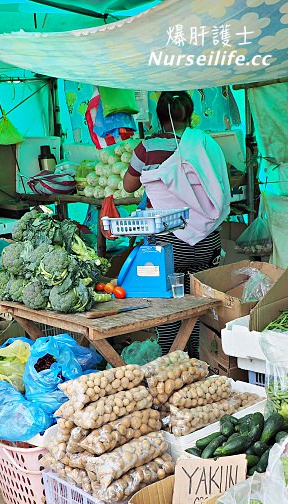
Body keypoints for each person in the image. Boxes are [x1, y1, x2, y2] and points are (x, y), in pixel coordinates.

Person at [122, 91, 230, 356]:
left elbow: (128, 185)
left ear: (160, 117)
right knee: (202, 303)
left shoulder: (147, 147)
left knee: (169, 306)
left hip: (169, 246)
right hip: (207, 242)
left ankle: (175, 360)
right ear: (191, 113)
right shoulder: (205, 144)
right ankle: (204, 358)